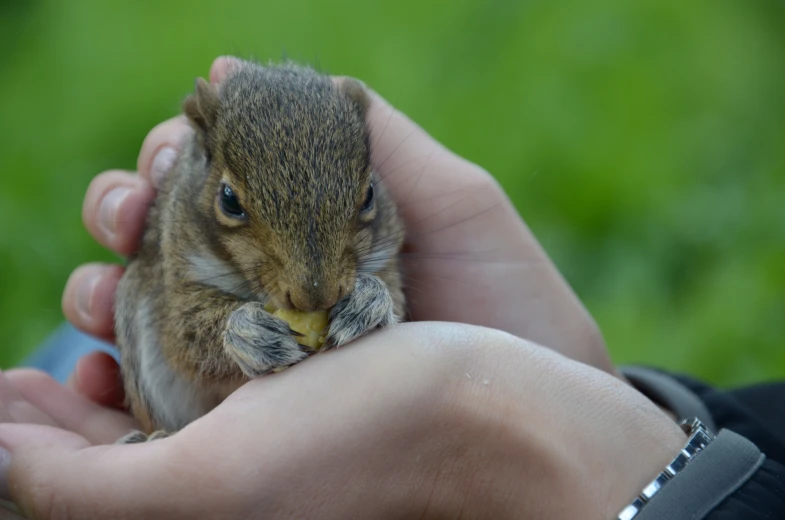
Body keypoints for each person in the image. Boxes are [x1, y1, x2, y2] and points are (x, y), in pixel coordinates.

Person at [0, 56, 782, 519]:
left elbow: (387, 307)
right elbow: (188, 335)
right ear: (209, 169)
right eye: (237, 208)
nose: (310, 288)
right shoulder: (188, 222)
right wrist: (234, 329)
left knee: (66, 349)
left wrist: (391, 329)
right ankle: (165, 440)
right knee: (123, 307)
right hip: (188, 398)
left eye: (362, 205)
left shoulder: (374, 241)